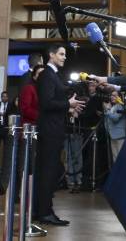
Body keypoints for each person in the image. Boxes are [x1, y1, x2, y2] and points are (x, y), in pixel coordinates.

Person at [33, 44, 84, 227]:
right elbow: (46, 103)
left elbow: (53, 101)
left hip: (53, 128)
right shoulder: (47, 74)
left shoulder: (51, 74)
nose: (64, 57)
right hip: (50, 130)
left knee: (47, 171)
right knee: (48, 171)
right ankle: (45, 212)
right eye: (61, 54)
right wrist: (67, 104)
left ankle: (41, 210)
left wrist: (69, 105)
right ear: (51, 55)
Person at [102, 90, 126, 163]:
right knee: (115, 157)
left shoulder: (120, 106)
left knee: (121, 157)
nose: (112, 97)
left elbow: (115, 118)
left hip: (119, 136)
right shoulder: (113, 106)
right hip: (112, 135)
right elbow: (108, 119)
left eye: (115, 95)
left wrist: (108, 110)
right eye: (112, 95)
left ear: (119, 97)